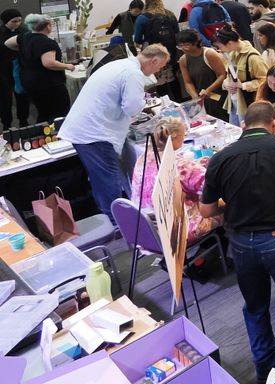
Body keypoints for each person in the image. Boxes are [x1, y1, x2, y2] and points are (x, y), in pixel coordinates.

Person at [198, 101, 275, 383]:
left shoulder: (220, 158)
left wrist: (232, 205)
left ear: (243, 125)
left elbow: (206, 210)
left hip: (240, 244)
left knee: (255, 306)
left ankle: (264, 364)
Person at [58, 44, 170, 221]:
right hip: (95, 135)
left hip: (87, 131)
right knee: (109, 181)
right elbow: (132, 107)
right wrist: (145, 105)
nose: (159, 70)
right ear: (153, 60)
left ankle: (110, 219)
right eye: (160, 66)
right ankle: (118, 224)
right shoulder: (133, 73)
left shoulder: (120, 65)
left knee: (101, 180)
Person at [131, 116, 219, 245]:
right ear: (176, 137)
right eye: (184, 134)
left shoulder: (142, 159)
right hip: (176, 231)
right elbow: (211, 186)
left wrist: (195, 165)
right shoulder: (180, 165)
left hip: (146, 229)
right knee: (225, 205)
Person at [5, 13, 74, 122]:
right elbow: (48, 63)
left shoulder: (24, 37)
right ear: (47, 26)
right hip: (49, 85)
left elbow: (8, 43)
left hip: (31, 84)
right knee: (59, 114)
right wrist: (67, 66)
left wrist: (24, 50)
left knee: (43, 112)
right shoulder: (46, 42)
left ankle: (43, 135)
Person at [214, 28, 268, 121]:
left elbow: (265, 81)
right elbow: (229, 75)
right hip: (235, 102)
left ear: (230, 43)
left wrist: (243, 85)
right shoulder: (232, 53)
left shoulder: (253, 57)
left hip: (248, 103)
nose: (220, 50)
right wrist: (226, 84)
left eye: (220, 47)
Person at [176, 29, 230, 121]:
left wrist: (209, 90)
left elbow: (222, 74)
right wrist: (195, 98)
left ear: (196, 42)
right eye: (181, 46)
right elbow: (188, 82)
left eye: (187, 45)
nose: (184, 48)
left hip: (219, 96)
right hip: (201, 99)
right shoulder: (183, 60)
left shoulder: (209, 54)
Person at [0, 9, 30, 130]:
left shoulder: (23, 31)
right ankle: (7, 124)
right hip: (3, 69)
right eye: (14, 21)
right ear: (6, 21)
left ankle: (24, 121)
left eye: (19, 20)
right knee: (4, 98)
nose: (17, 23)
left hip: (20, 67)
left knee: (22, 95)